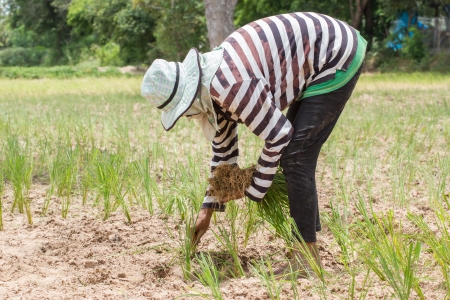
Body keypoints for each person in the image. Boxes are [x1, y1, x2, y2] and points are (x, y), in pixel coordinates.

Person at [141, 12, 366, 277]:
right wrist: (207, 209)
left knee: (295, 157)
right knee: (295, 156)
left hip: (334, 52)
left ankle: (307, 259)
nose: (188, 118)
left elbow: (279, 134)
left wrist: (252, 187)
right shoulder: (209, 89)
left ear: (189, 100)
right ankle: (306, 246)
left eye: (183, 112)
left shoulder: (229, 85)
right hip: (315, 55)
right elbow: (223, 150)